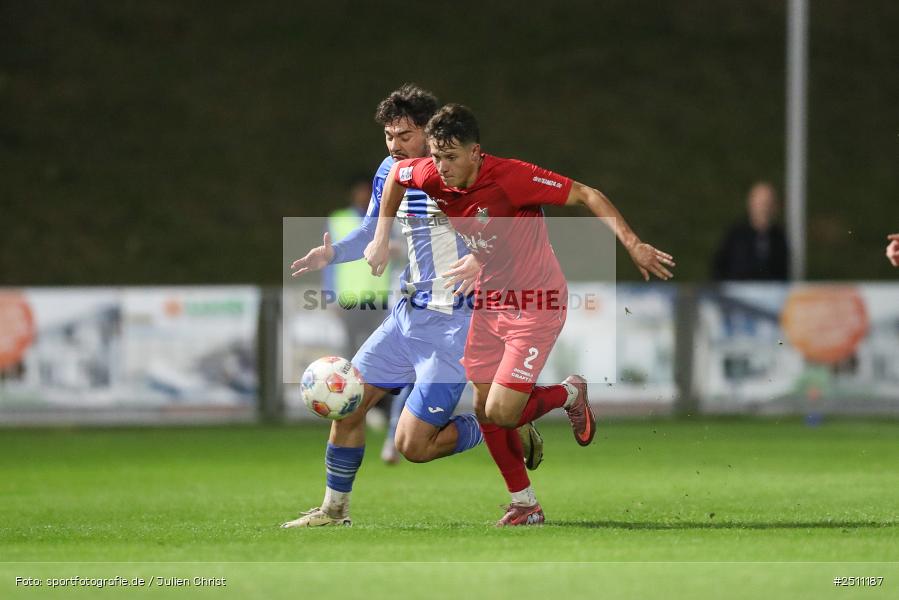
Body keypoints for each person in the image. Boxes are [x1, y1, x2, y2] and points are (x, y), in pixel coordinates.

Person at [365, 103, 675, 526]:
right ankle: (526, 504)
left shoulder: (512, 178)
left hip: (535, 303)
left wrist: (633, 243)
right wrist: (381, 235)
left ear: (476, 152)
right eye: (436, 157)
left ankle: (569, 393)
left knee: (503, 413)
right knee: (484, 408)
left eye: (451, 157)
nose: (441, 167)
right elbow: (398, 178)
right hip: (490, 302)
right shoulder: (431, 173)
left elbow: (587, 194)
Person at [282, 86, 543, 528]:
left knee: (414, 448)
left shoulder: (468, 172)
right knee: (349, 405)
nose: (394, 145)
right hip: (405, 318)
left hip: (455, 323)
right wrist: (333, 254)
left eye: (404, 135)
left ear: (430, 130)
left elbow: (520, 226)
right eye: (388, 136)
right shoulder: (391, 171)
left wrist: (486, 263)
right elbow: (371, 230)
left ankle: (499, 422)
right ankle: (334, 510)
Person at [323, 176, 400, 458]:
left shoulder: (386, 217)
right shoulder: (339, 219)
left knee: (383, 357)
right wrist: (330, 294)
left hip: (379, 299)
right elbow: (330, 259)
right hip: (350, 300)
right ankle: (353, 408)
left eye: (367, 192)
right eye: (359, 192)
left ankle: (378, 408)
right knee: (352, 358)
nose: (363, 196)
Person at [711, 182, 790, 281]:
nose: (764, 208)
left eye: (768, 203)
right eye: (760, 203)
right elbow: (719, 267)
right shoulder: (735, 234)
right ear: (750, 204)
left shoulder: (779, 237)